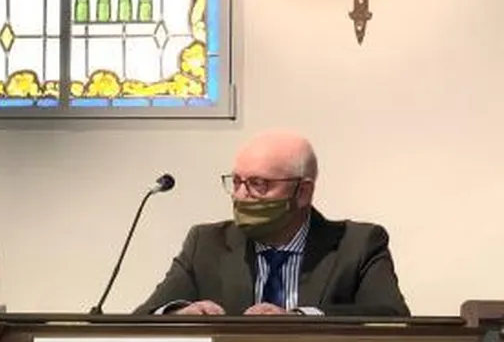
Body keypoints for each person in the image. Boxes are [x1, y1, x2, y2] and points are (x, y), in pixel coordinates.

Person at [134, 130, 410, 317]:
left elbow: (392, 317)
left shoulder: (358, 245)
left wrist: (301, 319)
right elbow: (144, 318)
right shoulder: (206, 244)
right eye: (237, 182)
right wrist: (178, 315)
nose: (241, 195)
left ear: (303, 192)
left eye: (258, 184)